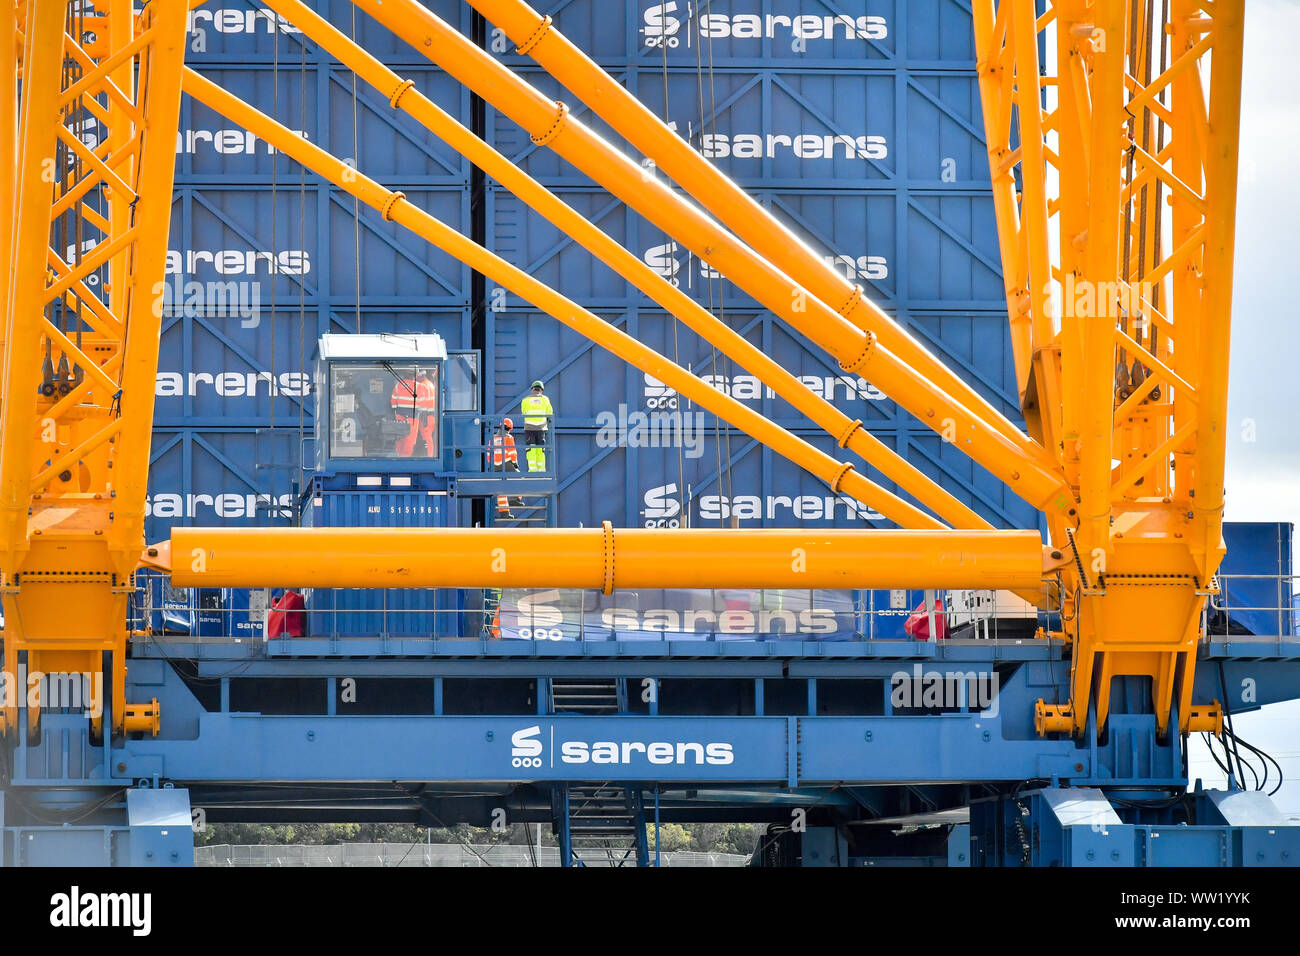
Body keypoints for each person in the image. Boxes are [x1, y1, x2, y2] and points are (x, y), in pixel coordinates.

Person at [390, 369, 437, 457]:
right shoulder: (420, 386)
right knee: (411, 439)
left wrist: (396, 412)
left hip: (400, 415)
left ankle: (399, 455)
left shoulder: (398, 385)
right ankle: (408, 457)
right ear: (415, 375)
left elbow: (393, 401)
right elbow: (423, 403)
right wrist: (423, 414)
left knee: (400, 437)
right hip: (414, 416)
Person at [521, 379, 553, 472]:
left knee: (531, 449)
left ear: (532, 389)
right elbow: (550, 413)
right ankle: (541, 470)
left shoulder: (525, 400)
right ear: (541, 390)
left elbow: (523, 412)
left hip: (529, 428)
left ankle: (532, 470)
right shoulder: (545, 399)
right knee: (540, 449)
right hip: (541, 428)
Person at [492, 417, 521, 519]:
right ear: (509, 428)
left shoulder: (493, 438)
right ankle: (514, 499)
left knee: (500, 488)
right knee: (518, 477)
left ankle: (504, 512)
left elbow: (488, 453)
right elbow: (512, 452)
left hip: (495, 466)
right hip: (506, 463)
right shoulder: (508, 437)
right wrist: (515, 463)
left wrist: (492, 464)